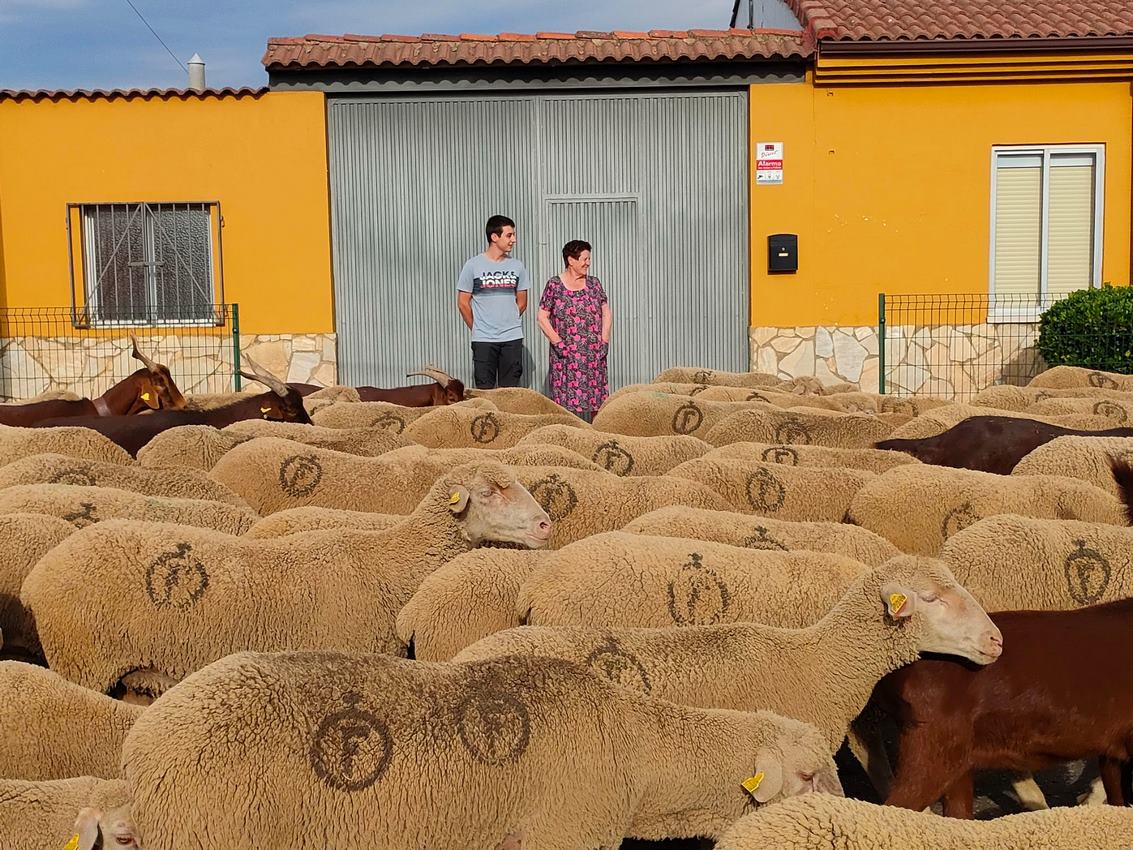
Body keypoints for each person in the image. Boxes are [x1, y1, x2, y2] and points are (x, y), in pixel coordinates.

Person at [536, 239, 612, 421]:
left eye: (589, 259)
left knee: (597, 399)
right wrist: (558, 343)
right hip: (566, 355)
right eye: (584, 259)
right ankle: (567, 434)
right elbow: (542, 317)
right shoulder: (554, 285)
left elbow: (606, 312)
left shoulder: (594, 284)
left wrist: (604, 340)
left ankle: (597, 433)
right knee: (565, 401)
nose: (588, 263)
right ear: (571, 260)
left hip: (593, 353)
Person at [456, 215, 530, 389]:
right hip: (483, 340)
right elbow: (463, 303)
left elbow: (522, 302)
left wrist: (508, 319)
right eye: (509, 235)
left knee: (510, 393)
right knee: (484, 392)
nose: (514, 240)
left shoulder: (517, 266)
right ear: (494, 237)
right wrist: (478, 327)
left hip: (512, 338)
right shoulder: (472, 265)